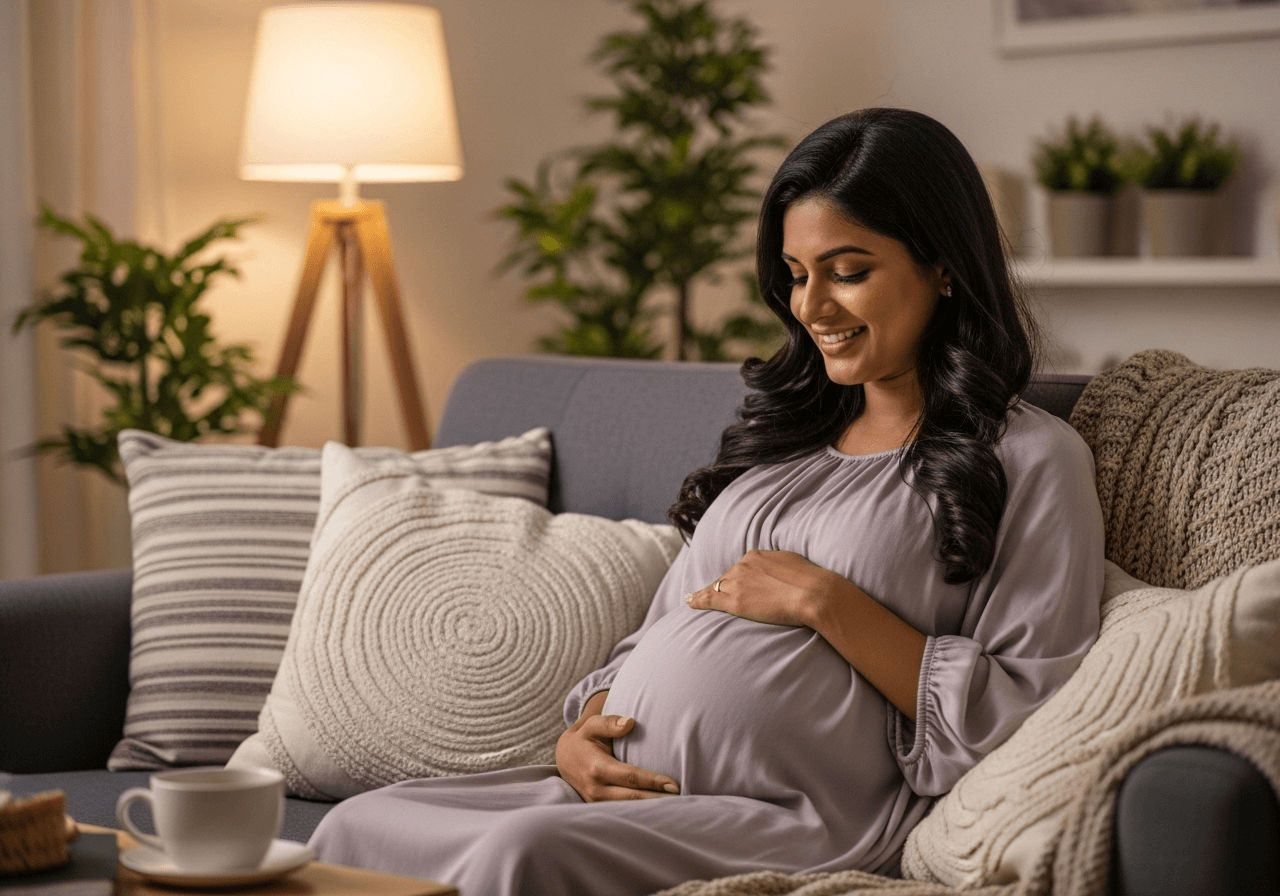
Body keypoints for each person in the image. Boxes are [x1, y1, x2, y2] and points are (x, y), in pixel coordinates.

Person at [309, 107, 1105, 895]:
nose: (811, 308)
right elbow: (657, 635)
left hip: (802, 814)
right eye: (796, 276)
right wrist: (576, 740)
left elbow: (1028, 708)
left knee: (522, 854)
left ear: (944, 267)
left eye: (848, 271)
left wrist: (827, 602)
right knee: (354, 828)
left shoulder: (1028, 459)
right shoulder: (783, 449)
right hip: (630, 794)